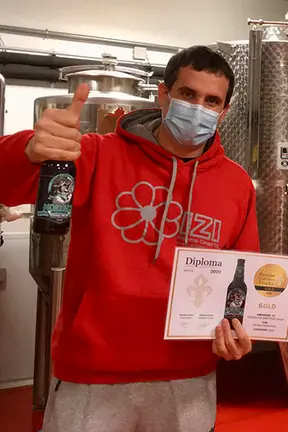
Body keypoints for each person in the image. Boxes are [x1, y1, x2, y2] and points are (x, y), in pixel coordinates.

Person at [0, 46, 260, 432]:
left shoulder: (237, 184)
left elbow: (244, 275)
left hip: (187, 378)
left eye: (212, 101)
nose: (199, 108)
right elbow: (8, 185)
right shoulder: (96, 154)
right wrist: (30, 150)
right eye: (188, 94)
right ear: (163, 95)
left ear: (224, 112)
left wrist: (240, 331)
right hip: (93, 375)